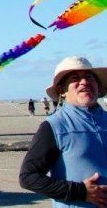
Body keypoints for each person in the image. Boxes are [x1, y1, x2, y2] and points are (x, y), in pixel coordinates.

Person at [19, 56, 107, 207]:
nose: (84, 82)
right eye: (75, 78)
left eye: (89, 77)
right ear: (62, 90)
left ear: (98, 86)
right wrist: (81, 191)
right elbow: (28, 177)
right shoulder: (54, 126)